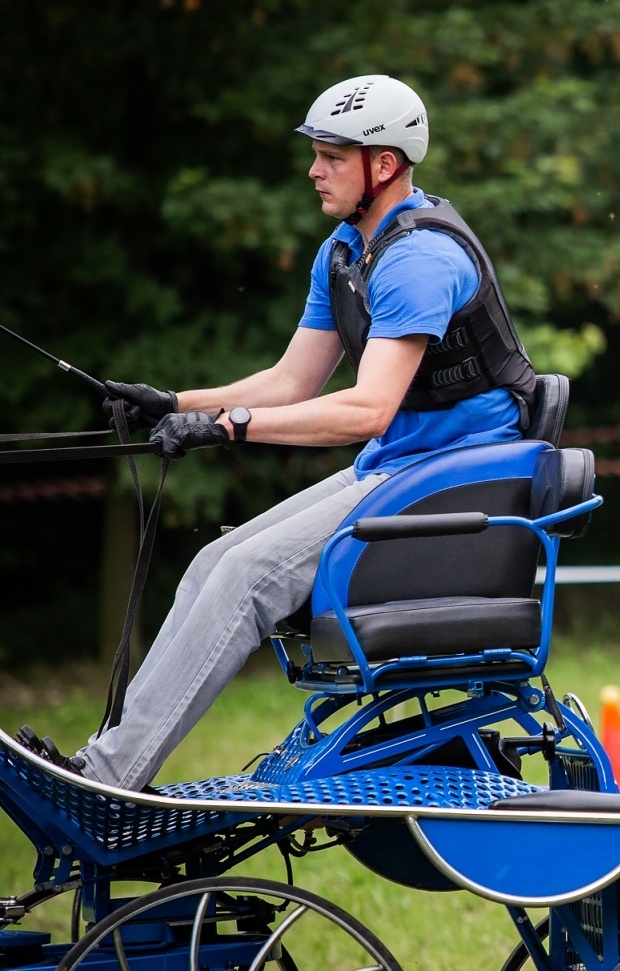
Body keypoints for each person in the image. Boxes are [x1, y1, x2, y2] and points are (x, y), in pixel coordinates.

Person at [17, 74, 541, 790]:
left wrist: (231, 427)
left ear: (382, 165)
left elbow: (366, 411)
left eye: (330, 156)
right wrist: (175, 403)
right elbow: (294, 380)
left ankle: (107, 775)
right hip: (405, 468)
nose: (312, 169)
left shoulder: (420, 261)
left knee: (246, 574)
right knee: (212, 564)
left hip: (457, 482)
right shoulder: (348, 251)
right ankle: (102, 763)